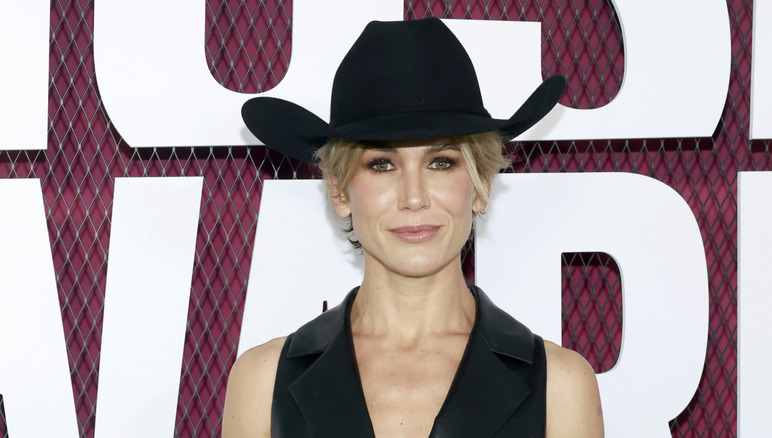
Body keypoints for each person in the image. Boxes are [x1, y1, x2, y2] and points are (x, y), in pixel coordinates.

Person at [223, 17, 603, 438]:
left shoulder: (560, 387)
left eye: (441, 163)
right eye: (381, 165)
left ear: (481, 185)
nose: (414, 196)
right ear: (340, 191)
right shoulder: (262, 383)